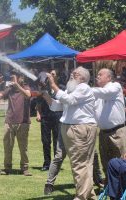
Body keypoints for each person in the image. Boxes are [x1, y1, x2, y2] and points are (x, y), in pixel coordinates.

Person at [42, 66, 97, 199]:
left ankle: (81, 196)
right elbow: (57, 106)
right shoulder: (70, 90)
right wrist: (45, 94)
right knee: (81, 164)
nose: (72, 74)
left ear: (83, 78)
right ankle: (89, 195)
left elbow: (69, 100)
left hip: (79, 128)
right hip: (71, 128)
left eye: (76, 74)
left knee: (79, 164)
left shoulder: (83, 88)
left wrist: (53, 84)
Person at [93, 68, 126, 181]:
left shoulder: (115, 86)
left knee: (122, 160)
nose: (97, 76)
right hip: (103, 133)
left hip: (117, 132)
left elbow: (106, 93)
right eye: (97, 74)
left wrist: (85, 89)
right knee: (106, 162)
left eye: (100, 74)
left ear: (109, 77)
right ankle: (110, 185)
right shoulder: (98, 92)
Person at [0, 71, 32, 176]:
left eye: (15, 77)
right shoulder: (9, 89)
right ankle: (7, 168)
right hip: (9, 122)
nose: (13, 79)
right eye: (12, 77)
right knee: (7, 146)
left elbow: (28, 95)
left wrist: (18, 86)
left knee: (23, 147)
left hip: (23, 122)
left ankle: (24, 168)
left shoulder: (26, 87)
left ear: (21, 78)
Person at [36, 69, 63, 171]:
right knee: (46, 141)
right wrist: (38, 114)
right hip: (45, 118)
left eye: (52, 74)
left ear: (57, 77)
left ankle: (56, 164)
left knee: (57, 141)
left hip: (57, 117)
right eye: (49, 74)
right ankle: (47, 163)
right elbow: (38, 103)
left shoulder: (61, 89)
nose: (50, 76)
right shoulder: (44, 88)